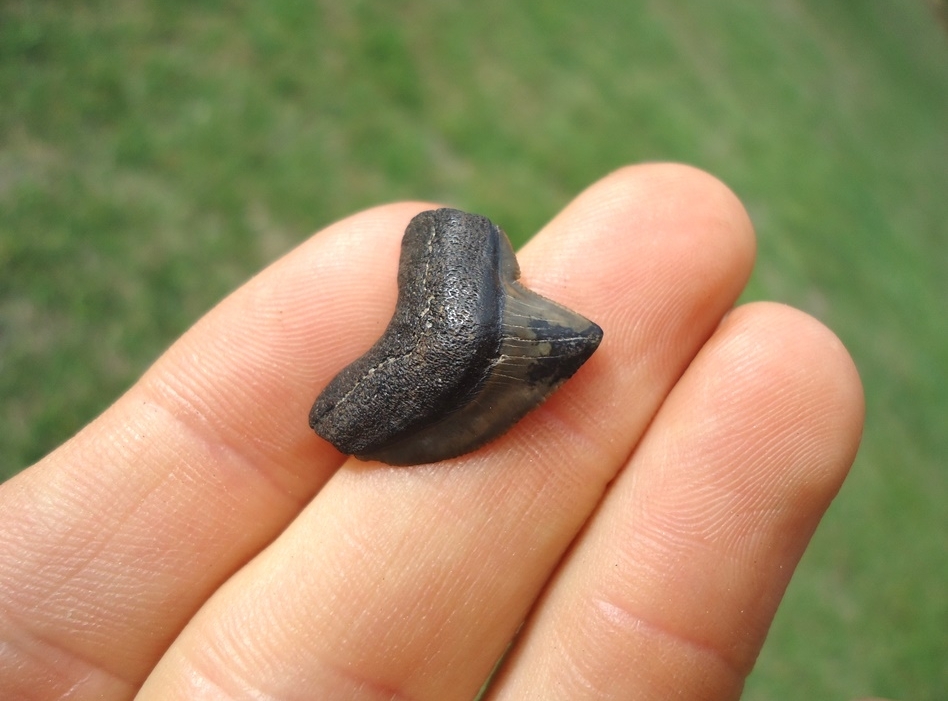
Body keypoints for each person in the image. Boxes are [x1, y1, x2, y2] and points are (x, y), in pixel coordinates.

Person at [0, 165, 865, 700]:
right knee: (428, 341)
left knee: (445, 331)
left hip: (473, 328)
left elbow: (461, 340)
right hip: (462, 330)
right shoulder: (453, 295)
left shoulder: (478, 300)